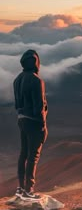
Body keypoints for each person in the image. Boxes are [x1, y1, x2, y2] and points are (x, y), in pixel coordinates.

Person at [13, 49, 48, 200]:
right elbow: (39, 107)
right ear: (36, 62)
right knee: (33, 156)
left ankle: (20, 188)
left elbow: (17, 104)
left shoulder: (17, 79)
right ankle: (29, 190)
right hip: (34, 122)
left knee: (24, 154)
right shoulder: (36, 80)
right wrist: (43, 126)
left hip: (21, 119)